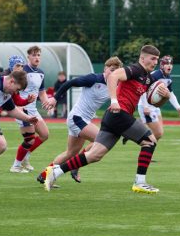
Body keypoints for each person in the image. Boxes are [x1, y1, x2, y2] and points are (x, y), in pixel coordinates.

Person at [44, 45, 171, 194]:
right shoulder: (135, 69)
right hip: (118, 114)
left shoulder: (148, 79)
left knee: (94, 155)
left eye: (157, 59)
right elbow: (113, 76)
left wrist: (166, 97)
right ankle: (140, 182)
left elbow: (153, 103)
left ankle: (56, 172)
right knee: (150, 141)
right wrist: (114, 100)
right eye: (152, 58)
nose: (155, 62)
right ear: (142, 58)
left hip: (114, 117)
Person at [38, 56, 122, 184]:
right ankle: (76, 165)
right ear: (105, 69)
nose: (113, 73)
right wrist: (55, 99)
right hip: (77, 117)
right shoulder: (93, 79)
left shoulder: (116, 85)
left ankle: (44, 175)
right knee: (101, 139)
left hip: (83, 120)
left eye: (116, 71)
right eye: (111, 69)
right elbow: (69, 83)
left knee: (70, 153)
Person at [10, 46, 50, 173]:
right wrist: (17, 108)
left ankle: (25, 156)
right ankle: (16, 165)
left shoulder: (41, 73)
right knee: (30, 139)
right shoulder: (22, 71)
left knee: (44, 135)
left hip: (33, 109)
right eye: (34, 55)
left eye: (38, 55)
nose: (37, 57)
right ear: (28, 57)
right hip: (22, 108)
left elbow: (42, 92)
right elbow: (12, 87)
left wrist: (47, 102)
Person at [0, 55, 35, 136]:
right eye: (18, 65)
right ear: (11, 66)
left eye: (22, 66)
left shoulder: (15, 80)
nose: (20, 68)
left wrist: (27, 101)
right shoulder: (2, 78)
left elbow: (16, 101)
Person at [138, 55, 180, 140]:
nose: (169, 65)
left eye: (171, 64)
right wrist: (145, 106)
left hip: (155, 107)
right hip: (146, 106)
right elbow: (142, 90)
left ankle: (136, 131)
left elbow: (170, 94)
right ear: (162, 65)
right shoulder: (154, 75)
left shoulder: (169, 78)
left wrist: (178, 107)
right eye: (166, 63)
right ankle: (136, 136)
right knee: (158, 133)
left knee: (159, 134)